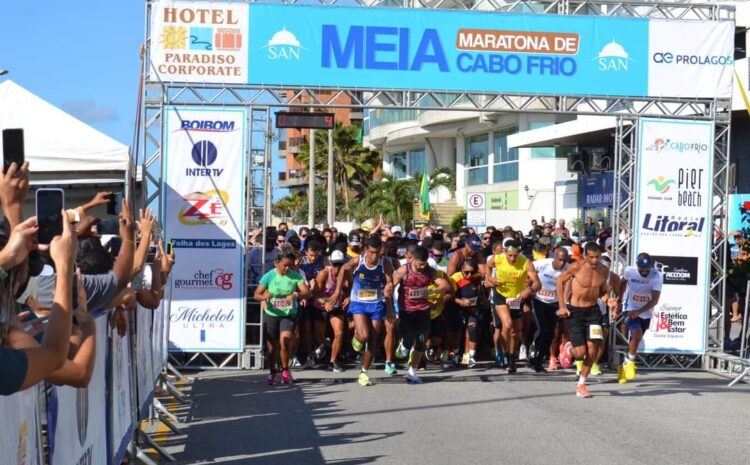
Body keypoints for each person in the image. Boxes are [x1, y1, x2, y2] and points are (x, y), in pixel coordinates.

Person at [329, 236, 394, 386]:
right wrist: (338, 291)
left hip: (377, 303)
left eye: (378, 253)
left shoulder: (385, 263)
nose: (374, 256)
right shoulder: (359, 260)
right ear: (366, 250)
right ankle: (357, 338)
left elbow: (390, 283)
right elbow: (344, 268)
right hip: (359, 302)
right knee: (364, 335)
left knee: (373, 338)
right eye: (372, 252)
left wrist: (390, 305)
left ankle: (364, 372)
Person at [556, 242, 610, 398]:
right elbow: (560, 281)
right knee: (580, 353)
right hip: (576, 312)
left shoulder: (604, 271)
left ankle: (582, 384)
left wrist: (609, 300)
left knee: (593, 349)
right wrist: (562, 306)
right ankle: (568, 349)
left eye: (597, 257)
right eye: (591, 257)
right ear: (585, 256)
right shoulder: (576, 267)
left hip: (593, 312)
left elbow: (601, 292)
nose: (594, 261)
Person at [392, 246, 450, 384]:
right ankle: (404, 345)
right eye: (419, 264)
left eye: (424, 264)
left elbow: (445, 285)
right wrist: (388, 302)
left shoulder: (429, 271)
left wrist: (430, 292)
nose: (422, 267)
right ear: (413, 259)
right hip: (407, 311)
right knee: (409, 338)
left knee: (421, 341)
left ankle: (412, 371)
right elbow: (391, 286)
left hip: (423, 310)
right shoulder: (403, 270)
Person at [254, 251, 311, 386]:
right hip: (272, 314)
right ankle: (273, 371)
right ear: (276, 263)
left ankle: (285, 370)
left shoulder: (295, 276)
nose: (287, 269)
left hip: (288, 314)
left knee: (285, 340)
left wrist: (296, 295)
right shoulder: (269, 276)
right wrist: (264, 297)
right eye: (284, 266)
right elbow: (256, 294)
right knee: (272, 348)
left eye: (290, 266)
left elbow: (307, 293)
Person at [485, 239, 541, 373]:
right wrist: (490, 278)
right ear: (504, 252)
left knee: (515, 331)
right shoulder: (497, 258)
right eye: (509, 255)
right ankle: (505, 355)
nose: (512, 258)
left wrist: (528, 290)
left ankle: (511, 357)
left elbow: (538, 284)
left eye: (515, 255)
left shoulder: (526, 262)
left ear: (519, 253)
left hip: (516, 298)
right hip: (501, 295)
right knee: (507, 324)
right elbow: (488, 266)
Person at [615, 253, 662, 384]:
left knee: (637, 339)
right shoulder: (629, 271)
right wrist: (619, 300)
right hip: (629, 307)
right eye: (642, 269)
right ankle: (630, 362)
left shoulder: (657, 276)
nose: (644, 271)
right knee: (636, 334)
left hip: (645, 311)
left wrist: (639, 311)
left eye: (647, 268)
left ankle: (624, 366)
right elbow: (623, 282)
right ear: (637, 266)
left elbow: (655, 300)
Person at [529, 247, 569, 372]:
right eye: (559, 260)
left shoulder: (568, 268)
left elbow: (569, 286)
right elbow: (527, 266)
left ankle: (539, 360)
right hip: (539, 300)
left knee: (551, 333)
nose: (561, 263)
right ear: (555, 256)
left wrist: (564, 303)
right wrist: (528, 285)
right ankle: (533, 349)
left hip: (554, 303)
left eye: (564, 260)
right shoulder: (543, 263)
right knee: (542, 329)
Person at [314, 250, 349, 372]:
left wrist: (348, 297)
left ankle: (332, 361)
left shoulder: (346, 273)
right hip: (321, 306)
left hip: (337, 306)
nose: (338, 268)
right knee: (320, 335)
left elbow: (352, 289)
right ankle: (325, 344)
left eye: (340, 264)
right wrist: (325, 302)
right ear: (330, 263)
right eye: (335, 264)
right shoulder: (324, 273)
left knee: (339, 333)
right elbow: (314, 294)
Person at [450, 258, 483, 367]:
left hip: (474, 309)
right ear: (462, 269)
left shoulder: (478, 277)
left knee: (472, 329)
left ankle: (469, 356)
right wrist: (460, 302)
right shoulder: (455, 278)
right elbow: (450, 296)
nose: (469, 275)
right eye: (466, 272)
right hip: (458, 308)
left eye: (472, 272)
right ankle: (456, 353)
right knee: (458, 332)